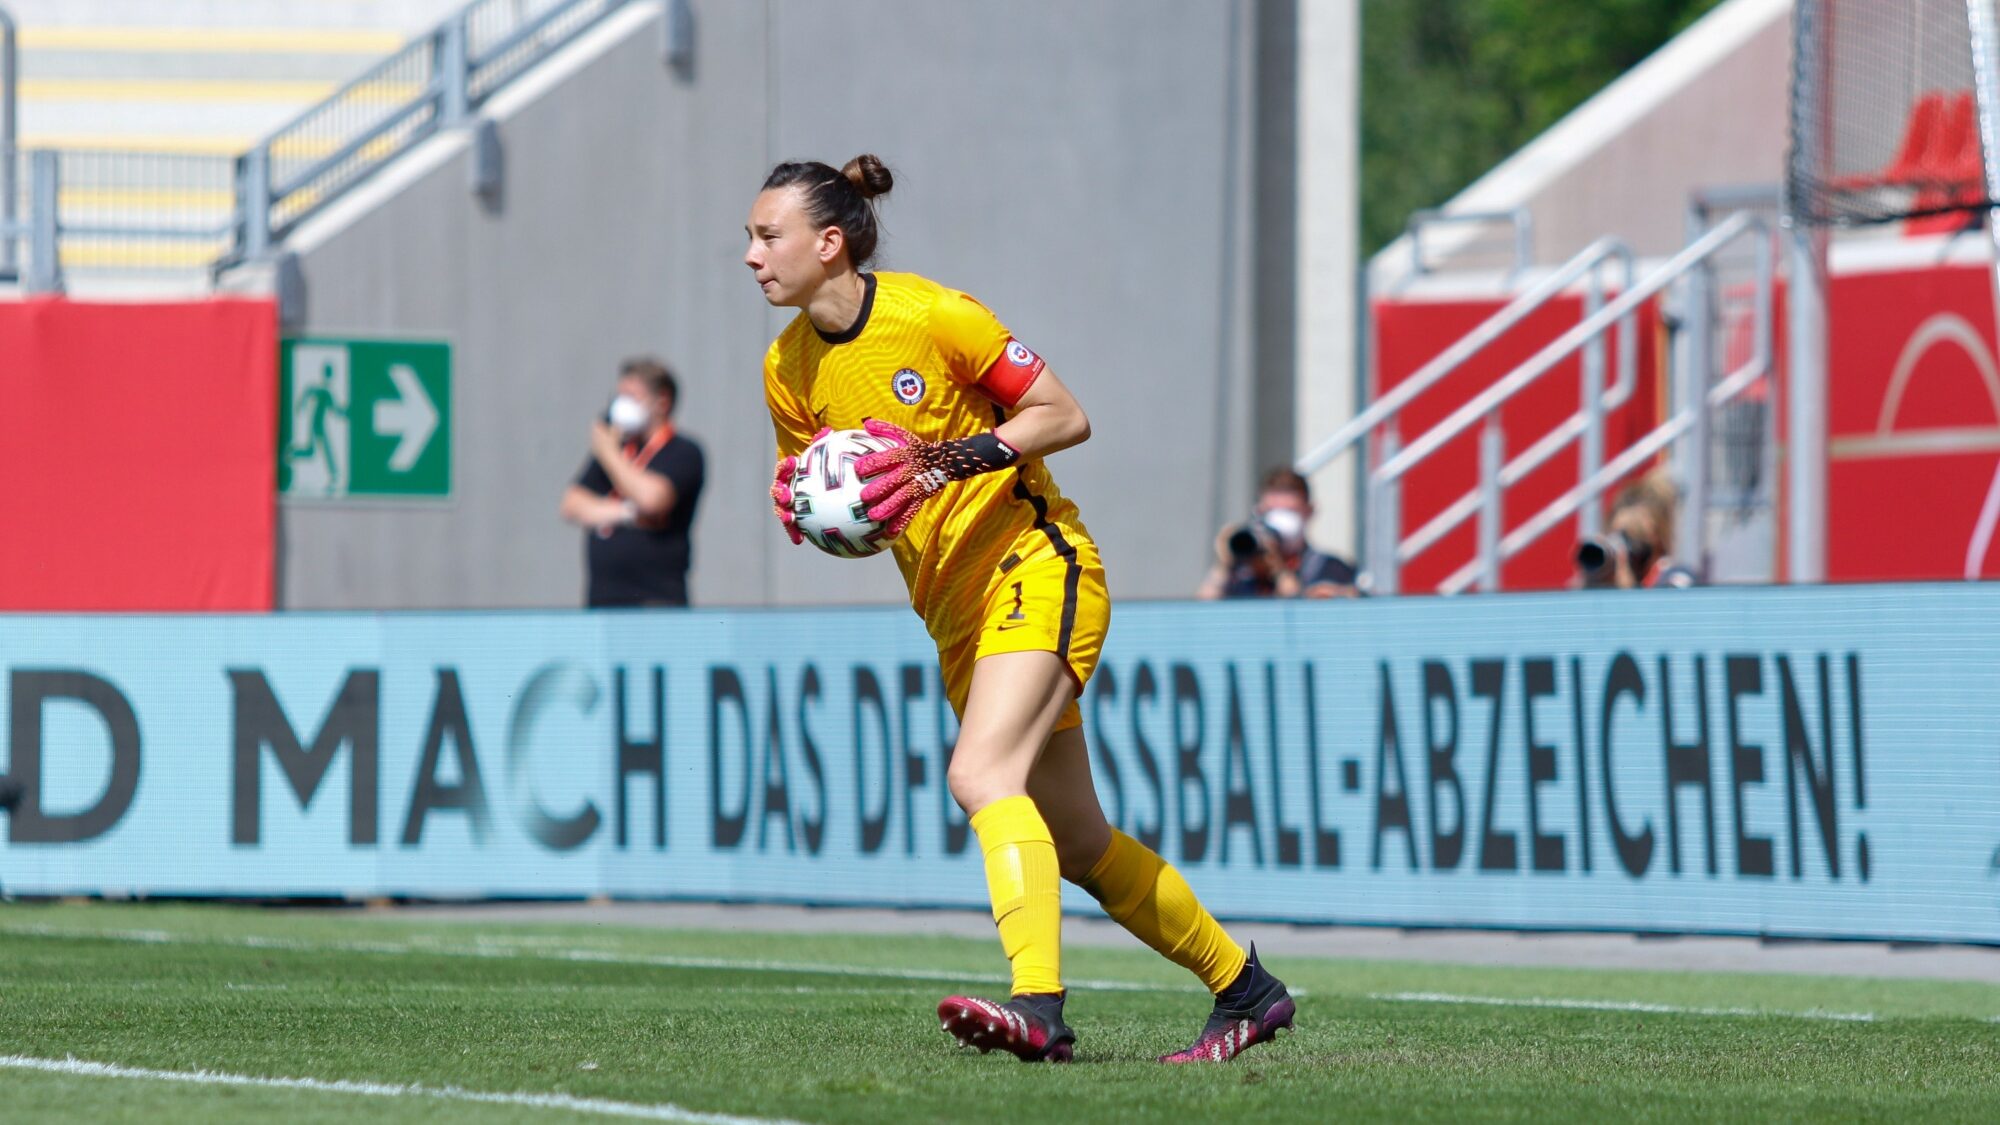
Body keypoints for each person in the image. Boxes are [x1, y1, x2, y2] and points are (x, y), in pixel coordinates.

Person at [752, 155, 1293, 1064]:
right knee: (1080, 843)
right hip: (956, 614)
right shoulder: (787, 365)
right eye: (751, 240)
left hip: (1036, 566)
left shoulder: (933, 316)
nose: (753, 256)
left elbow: (1063, 413)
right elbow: (824, 480)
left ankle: (1039, 1007)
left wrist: (940, 460)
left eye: (768, 236)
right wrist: (805, 503)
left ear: (829, 242)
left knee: (979, 774)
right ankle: (1247, 990)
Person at [559, 357, 706, 607]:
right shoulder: (619, 452)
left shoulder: (683, 452)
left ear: (662, 401)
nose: (621, 405)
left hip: (657, 601)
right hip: (603, 601)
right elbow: (571, 504)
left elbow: (652, 499)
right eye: (619, 396)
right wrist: (627, 512)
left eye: (631, 396)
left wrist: (607, 453)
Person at [1198, 467, 1358, 599]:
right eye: (1270, 512)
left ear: (1309, 512)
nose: (1278, 520)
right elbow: (1202, 611)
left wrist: (1279, 569)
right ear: (1259, 513)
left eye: (1290, 512)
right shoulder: (1242, 572)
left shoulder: (1329, 568)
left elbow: (1297, 612)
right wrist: (1225, 565)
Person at [1573, 468, 1697, 589]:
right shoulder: (1609, 577)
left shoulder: (1675, 577)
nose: (1623, 548)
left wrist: (1627, 590)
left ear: (1656, 536)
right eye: (1616, 535)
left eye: (1630, 537)